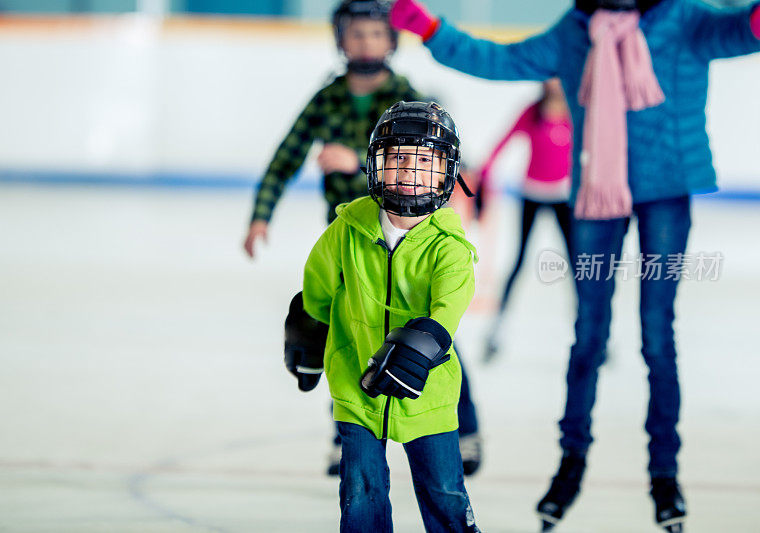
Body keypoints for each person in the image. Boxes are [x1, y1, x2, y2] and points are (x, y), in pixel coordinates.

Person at [389, 0, 760, 531]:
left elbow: (740, 32)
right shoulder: (577, 31)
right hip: (596, 199)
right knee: (588, 333)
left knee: (657, 334)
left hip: (666, 196)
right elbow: (500, 61)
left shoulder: (686, 19)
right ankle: (572, 462)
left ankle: (664, 472)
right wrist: (430, 27)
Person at [245, 0, 484, 476]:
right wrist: (260, 214)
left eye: (376, 35)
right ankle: (346, 430)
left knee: (427, 333)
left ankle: (464, 427)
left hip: (409, 233)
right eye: (356, 35)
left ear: (392, 42)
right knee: (345, 333)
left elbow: (439, 154)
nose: (366, 44)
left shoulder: (404, 95)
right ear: (340, 40)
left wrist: (356, 160)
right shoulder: (328, 96)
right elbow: (287, 154)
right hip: (351, 237)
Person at [284, 101, 480, 532]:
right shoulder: (347, 230)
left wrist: (422, 346)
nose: (409, 170)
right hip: (356, 389)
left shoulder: (449, 247)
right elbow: (317, 288)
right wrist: (309, 330)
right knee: (360, 493)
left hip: (427, 396)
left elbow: (447, 311)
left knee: (444, 493)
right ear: (377, 164)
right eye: (398, 158)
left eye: (426, 160)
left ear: (448, 171)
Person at [476, 79, 573, 360]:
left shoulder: (575, 112)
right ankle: (496, 331)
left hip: (563, 196)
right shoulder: (533, 112)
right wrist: (485, 175)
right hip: (532, 193)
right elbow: (502, 143)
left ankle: (593, 331)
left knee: (577, 265)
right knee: (518, 261)